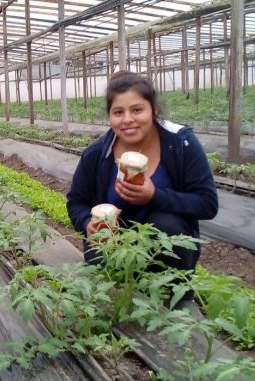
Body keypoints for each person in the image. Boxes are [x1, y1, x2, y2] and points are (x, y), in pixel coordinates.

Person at [66, 71, 218, 291]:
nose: (127, 119)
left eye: (137, 109)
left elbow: (207, 203)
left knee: (167, 224)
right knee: (105, 290)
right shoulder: (97, 153)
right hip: (112, 248)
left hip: (165, 251)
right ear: (110, 116)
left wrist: (155, 195)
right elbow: (76, 202)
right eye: (118, 112)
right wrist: (86, 224)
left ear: (153, 109)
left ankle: (175, 292)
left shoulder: (181, 143)